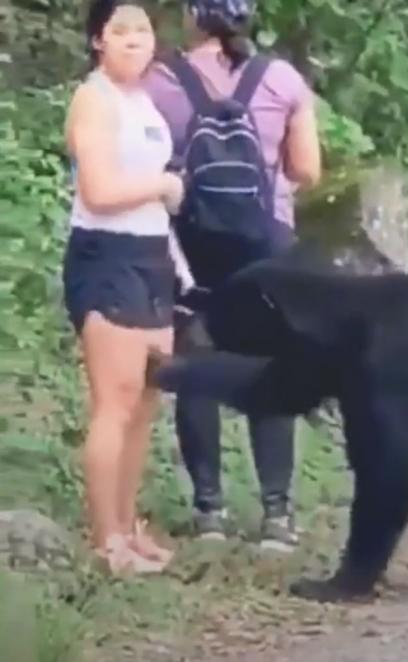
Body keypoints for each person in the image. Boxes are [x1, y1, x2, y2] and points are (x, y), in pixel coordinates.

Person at [143, 0, 321, 549]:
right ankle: (276, 517)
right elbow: (307, 171)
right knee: (270, 368)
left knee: (196, 365)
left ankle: (209, 513)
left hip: (191, 245)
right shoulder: (282, 79)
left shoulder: (159, 80)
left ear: (194, 17)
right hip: (267, 246)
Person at [63, 0, 187, 573]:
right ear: (98, 41)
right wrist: (163, 184)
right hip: (107, 255)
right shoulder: (95, 97)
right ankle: (105, 539)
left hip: (152, 253)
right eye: (121, 30)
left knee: (145, 399)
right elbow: (99, 190)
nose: (135, 39)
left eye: (142, 29)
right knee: (113, 401)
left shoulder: (144, 99)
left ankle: (129, 526)